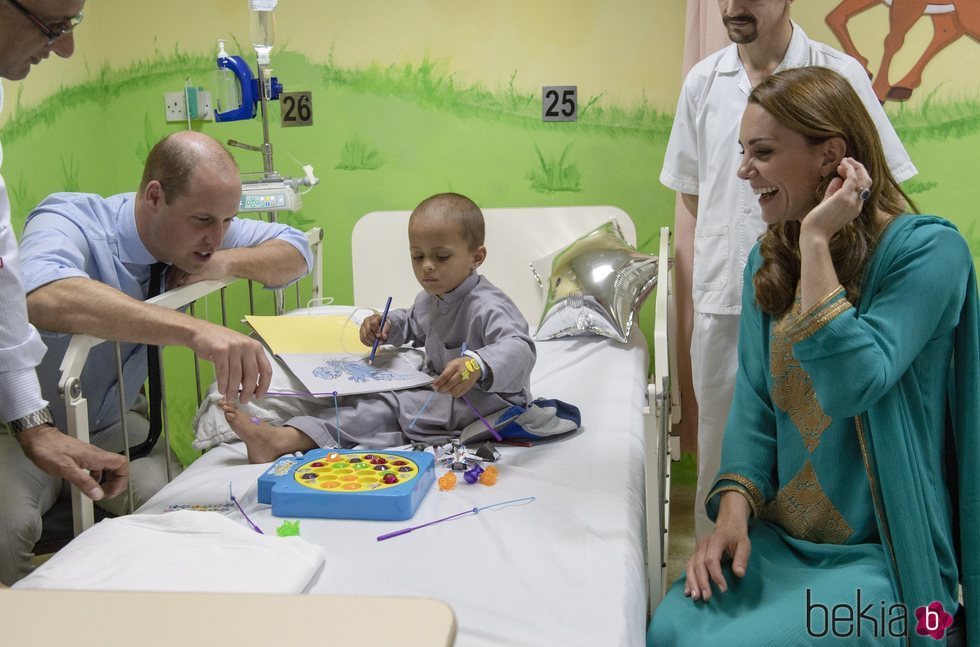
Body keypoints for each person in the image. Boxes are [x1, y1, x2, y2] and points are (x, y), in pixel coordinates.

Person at [649, 66, 976, 646]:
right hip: (779, 544)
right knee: (674, 627)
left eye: (763, 152)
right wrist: (731, 516)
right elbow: (754, 405)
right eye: (743, 152)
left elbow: (854, 381)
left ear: (833, 156)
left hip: (886, 560)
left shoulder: (930, 252)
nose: (744, 170)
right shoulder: (768, 260)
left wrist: (818, 240)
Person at [0, 130, 314, 584]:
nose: (216, 235)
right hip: (21, 427)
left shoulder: (208, 233)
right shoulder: (70, 218)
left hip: (111, 426)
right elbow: (40, 294)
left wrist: (223, 263)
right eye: (204, 220)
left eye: (227, 221)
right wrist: (195, 330)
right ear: (154, 196)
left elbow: (297, 250)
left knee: (185, 513)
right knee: (8, 532)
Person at [661, 0, 918, 538]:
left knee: (819, 442)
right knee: (727, 446)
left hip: (822, 296)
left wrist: (809, 247)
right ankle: (722, 563)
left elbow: (877, 182)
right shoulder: (703, 82)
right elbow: (694, 193)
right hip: (728, 298)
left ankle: (817, 561)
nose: (732, 8)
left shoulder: (837, 74)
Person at [222, 192, 536, 463]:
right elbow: (413, 321)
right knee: (371, 399)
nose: (427, 265)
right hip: (441, 390)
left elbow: (520, 347)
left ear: (476, 257)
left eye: (441, 256)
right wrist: (384, 326)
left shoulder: (489, 306)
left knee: (385, 406)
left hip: (491, 404)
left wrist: (477, 365)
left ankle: (284, 440)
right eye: (417, 256)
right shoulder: (431, 298)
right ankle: (301, 431)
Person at [0, 0, 132, 565]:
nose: (65, 47)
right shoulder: (70, 220)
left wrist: (33, 420)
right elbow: (33, 290)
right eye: (55, 27)